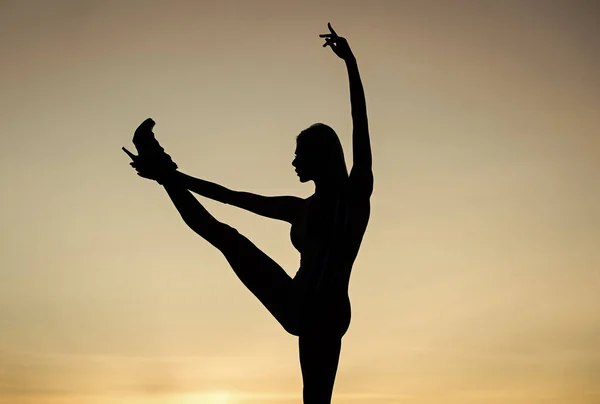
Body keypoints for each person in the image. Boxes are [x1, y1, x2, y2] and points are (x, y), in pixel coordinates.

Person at [123, 23, 373, 404]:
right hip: (297, 302)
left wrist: (350, 64)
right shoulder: (299, 208)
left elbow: (360, 125)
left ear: (320, 157)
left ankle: (162, 169)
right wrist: (169, 176)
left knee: (316, 399)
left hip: (321, 314)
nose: (292, 160)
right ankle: (161, 167)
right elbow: (232, 197)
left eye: (299, 153)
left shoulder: (355, 196)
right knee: (225, 236)